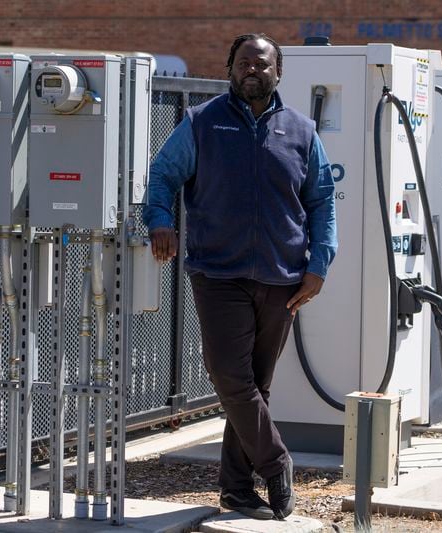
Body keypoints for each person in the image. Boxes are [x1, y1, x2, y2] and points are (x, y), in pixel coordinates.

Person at [143, 33, 337, 521]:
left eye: (262, 64)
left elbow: (321, 201)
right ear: (230, 68)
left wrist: (319, 264)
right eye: (244, 62)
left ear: (278, 72)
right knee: (230, 377)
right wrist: (159, 220)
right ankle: (275, 463)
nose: (252, 70)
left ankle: (235, 490)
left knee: (254, 386)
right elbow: (163, 175)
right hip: (218, 272)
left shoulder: (301, 130)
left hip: (283, 277)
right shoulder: (201, 122)